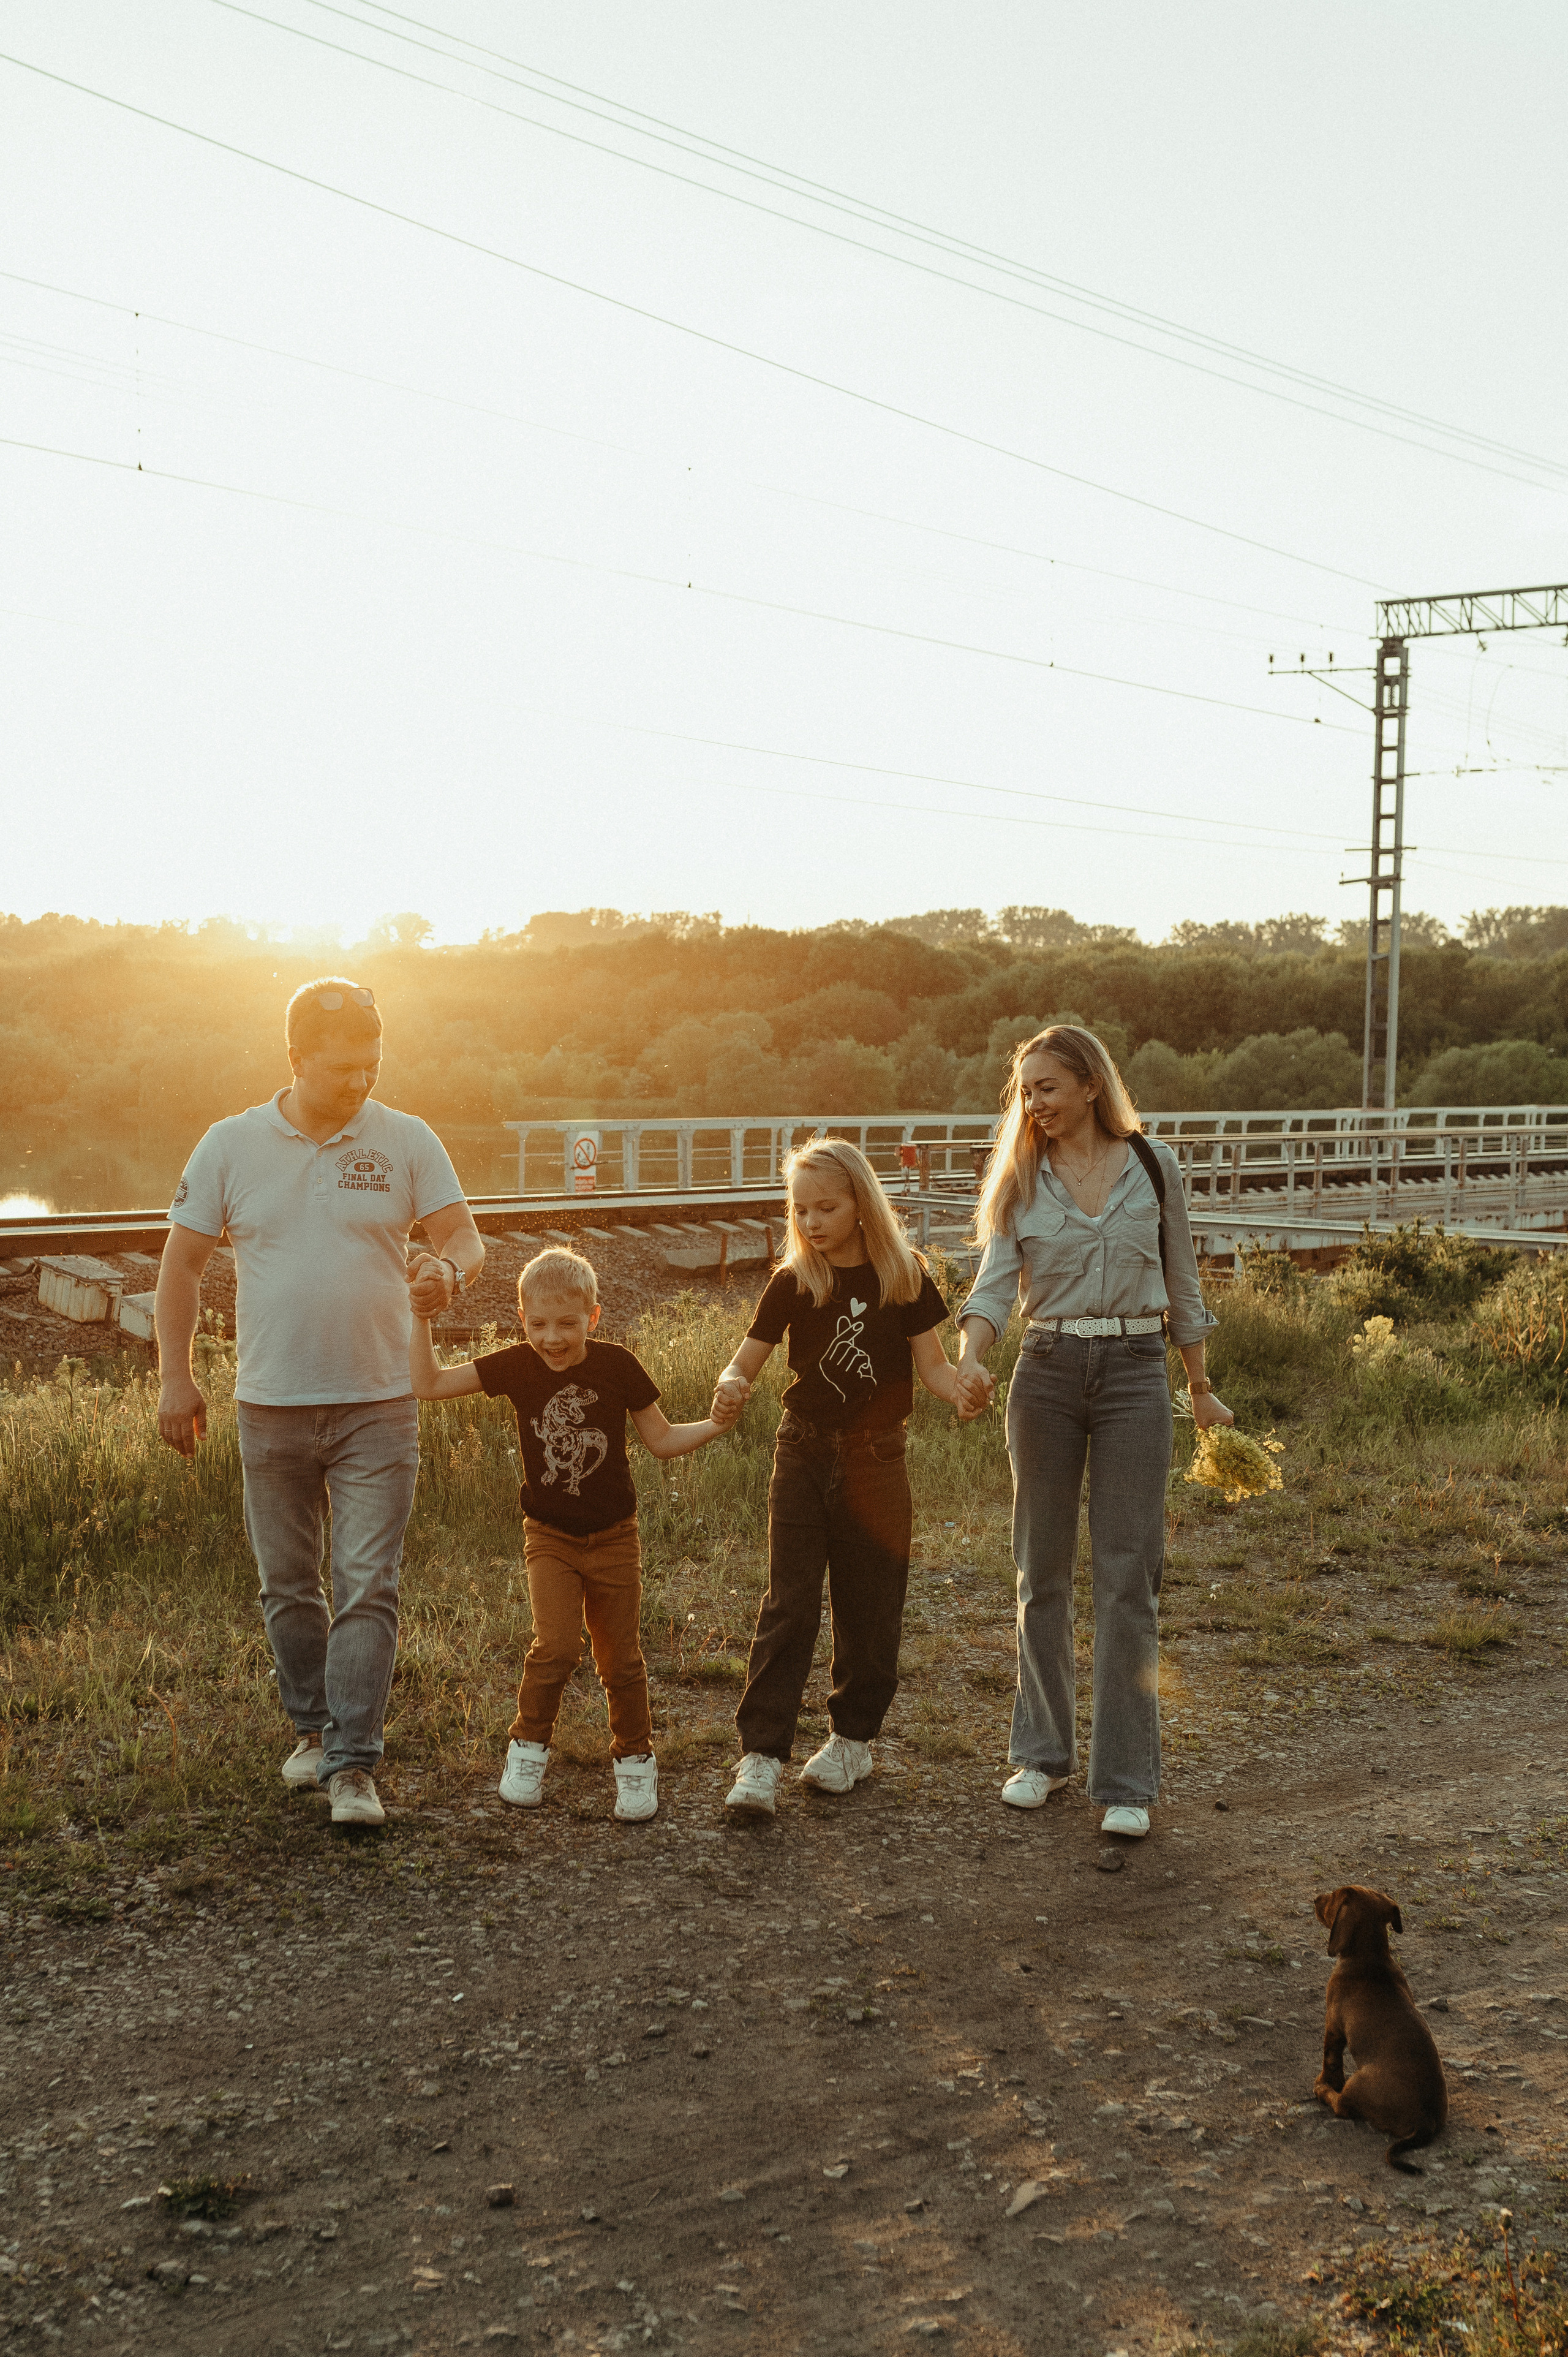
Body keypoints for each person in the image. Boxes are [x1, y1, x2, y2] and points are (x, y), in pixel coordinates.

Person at [154, 977, 484, 1828]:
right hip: (271, 1404)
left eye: (372, 1065)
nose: (361, 1081)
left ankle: (353, 1765)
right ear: (296, 1059)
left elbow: (462, 1234)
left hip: (381, 1400)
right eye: (343, 1068)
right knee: (289, 1587)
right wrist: (174, 1374)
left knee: (368, 1582)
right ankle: (312, 1724)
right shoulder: (230, 1144)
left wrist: (447, 1270)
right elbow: (181, 1264)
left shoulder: (406, 1138)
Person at [954, 1023, 1232, 1841]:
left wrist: (1201, 1386)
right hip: (1044, 1372)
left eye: (1046, 1086)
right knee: (1040, 1569)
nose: (1032, 1102)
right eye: (1025, 1089)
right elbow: (995, 1286)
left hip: (1135, 1372)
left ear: (1086, 1085)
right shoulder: (1017, 1174)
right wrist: (969, 1357)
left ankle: (1124, 1780)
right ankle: (1040, 1756)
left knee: (1126, 1576)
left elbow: (1182, 1275)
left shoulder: (1153, 1162)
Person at [409, 1244, 739, 1824]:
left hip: (615, 1537)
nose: (552, 1338)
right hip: (551, 1536)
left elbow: (660, 1441)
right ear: (522, 1320)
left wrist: (716, 1423)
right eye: (538, 1324)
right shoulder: (515, 1363)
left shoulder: (618, 1366)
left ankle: (635, 1762)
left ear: (593, 1316)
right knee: (556, 1645)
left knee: (621, 1659)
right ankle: (528, 1749)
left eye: (567, 1323)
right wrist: (422, 1314)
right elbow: (428, 1383)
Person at [713, 1138, 982, 1818]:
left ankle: (850, 1741)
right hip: (801, 1454)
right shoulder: (793, 1281)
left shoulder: (905, 1277)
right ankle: (762, 1756)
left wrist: (964, 1391)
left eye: (825, 1207)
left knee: (870, 1603)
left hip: (876, 1461)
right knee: (789, 1603)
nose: (810, 1222)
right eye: (799, 1209)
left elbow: (936, 1371)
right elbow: (745, 1360)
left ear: (861, 1203)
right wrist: (730, 1384)